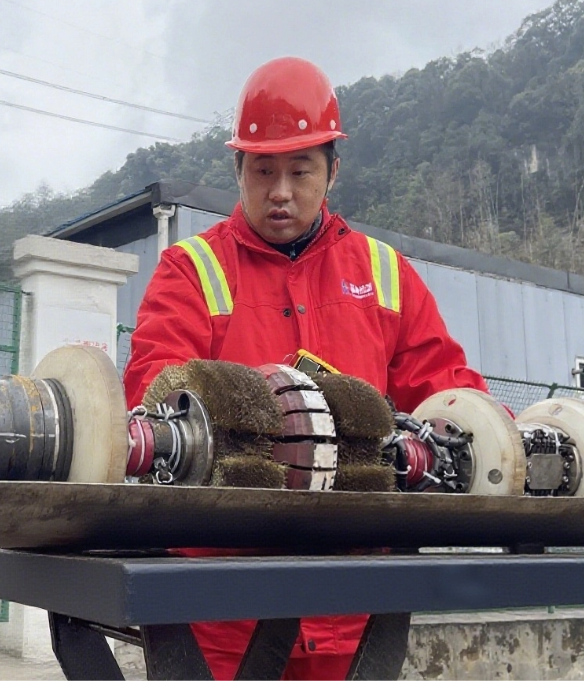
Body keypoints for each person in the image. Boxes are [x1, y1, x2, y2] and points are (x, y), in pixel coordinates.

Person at [122, 56, 489, 681]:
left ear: (332, 171)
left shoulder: (384, 274)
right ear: (239, 170)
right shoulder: (192, 271)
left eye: (300, 170)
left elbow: (447, 391)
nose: (281, 191)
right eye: (263, 171)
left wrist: (499, 433)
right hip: (220, 609)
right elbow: (157, 396)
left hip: (353, 608)